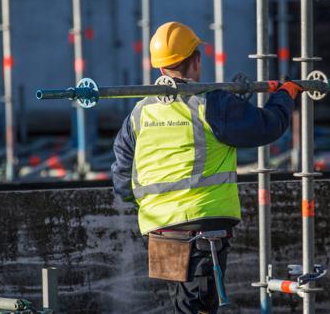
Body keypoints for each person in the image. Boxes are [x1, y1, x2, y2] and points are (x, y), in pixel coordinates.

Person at [111, 22, 301, 313]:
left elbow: (122, 171)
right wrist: (285, 95)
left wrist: (146, 205)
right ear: (196, 61)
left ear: (160, 69)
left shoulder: (141, 112)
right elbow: (267, 127)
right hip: (202, 230)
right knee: (197, 307)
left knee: (183, 304)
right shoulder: (211, 104)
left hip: (160, 230)